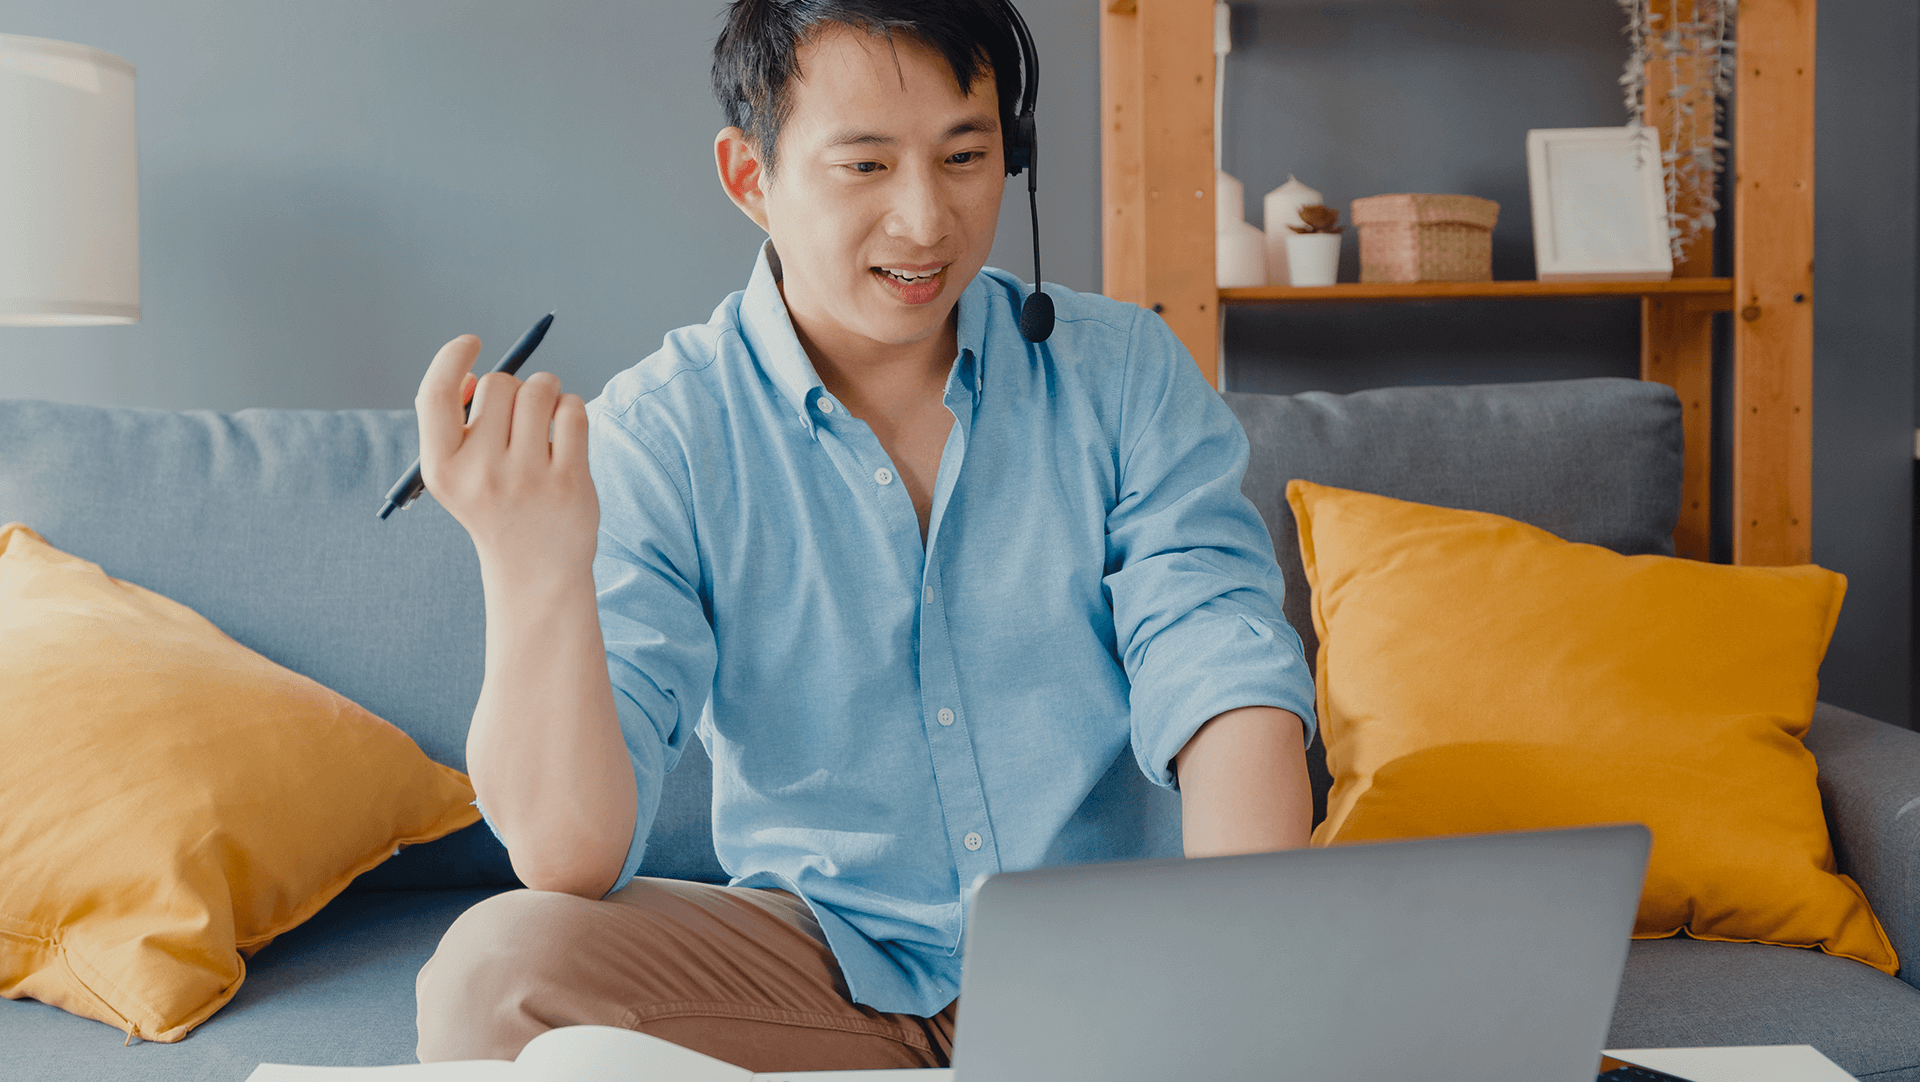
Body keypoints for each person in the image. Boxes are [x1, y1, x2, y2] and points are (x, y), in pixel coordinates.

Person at [411, 0, 1316, 1071]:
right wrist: (531, 564)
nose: (926, 219)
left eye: (965, 155)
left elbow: (1221, 672)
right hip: (825, 974)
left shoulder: (1120, 372)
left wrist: (1247, 978)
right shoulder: (663, 432)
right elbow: (569, 851)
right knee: (493, 971)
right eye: (866, 166)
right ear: (752, 177)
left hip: (1114, 967)